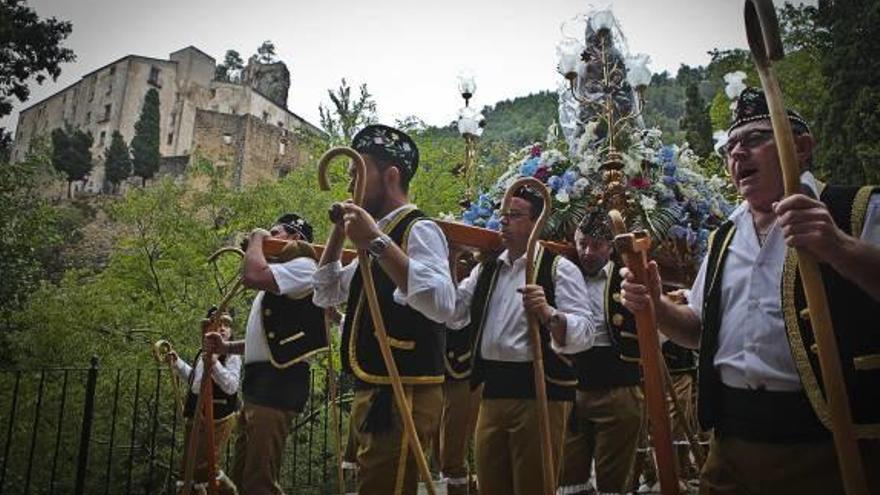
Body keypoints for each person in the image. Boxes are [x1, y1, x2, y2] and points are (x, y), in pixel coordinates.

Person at [619, 87, 880, 494]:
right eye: (730, 147)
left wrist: (839, 248)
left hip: (831, 449)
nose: (737, 154)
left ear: (802, 147)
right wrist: (655, 304)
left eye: (755, 139)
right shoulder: (723, 237)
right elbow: (697, 332)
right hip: (730, 447)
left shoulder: (856, 209)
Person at [312, 124, 456, 495]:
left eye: (357, 176)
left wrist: (375, 241)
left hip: (403, 393)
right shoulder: (375, 237)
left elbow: (443, 303)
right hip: (375, 389)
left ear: (390, 176)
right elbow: (326, 294)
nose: (349, 187)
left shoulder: (418, 229)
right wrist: (341, 233)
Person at [445, 187, 597, 495]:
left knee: (533, 484)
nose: (503, 222)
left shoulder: (559, 268)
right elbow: (453, 314)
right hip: (492, 391)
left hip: (539, 391)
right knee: (490, 482)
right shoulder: (485, 270)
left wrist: (548, 313)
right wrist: (450, 258)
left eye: (514, 215)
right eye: (502, 216)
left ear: (537, 221)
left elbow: (585, 332)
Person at [205, 213, 327, 495]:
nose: (269, 236)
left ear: (295, 238)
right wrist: (227, 348)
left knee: (259, 481)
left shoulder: (303, 266)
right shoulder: (279, 278)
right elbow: (262, 343)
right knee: (243, 476)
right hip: (259, 383)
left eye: (276, 233)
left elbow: (251, 276)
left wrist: (258, 238)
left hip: (278, 384)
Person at [557, 212, 645, 495]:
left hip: (619, 391)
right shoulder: (560, 275)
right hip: (571, 391)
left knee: (613, 483)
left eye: (597, 245)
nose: (587, 252)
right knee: (567, 479)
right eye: (583, 243)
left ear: (610, 247)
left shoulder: (629, 277)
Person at [168, 307, 242, 495]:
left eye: (227, 324)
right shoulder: (203, 351)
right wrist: (178, 364)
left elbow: (231, 386)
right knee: (188, 470)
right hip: (196, 416)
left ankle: (230, 492)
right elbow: (196, 383)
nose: (224, 328)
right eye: (219, 324)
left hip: (218, 417)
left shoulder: (232, 355)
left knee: (206, 468)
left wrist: (215, 363)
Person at [437, 251, 482, 495]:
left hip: (464, 368)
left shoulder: (474, 280)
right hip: (434, 368)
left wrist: (453, 258)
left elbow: (454, 314)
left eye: (464, 262)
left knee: (455, 444)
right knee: (439, 443)